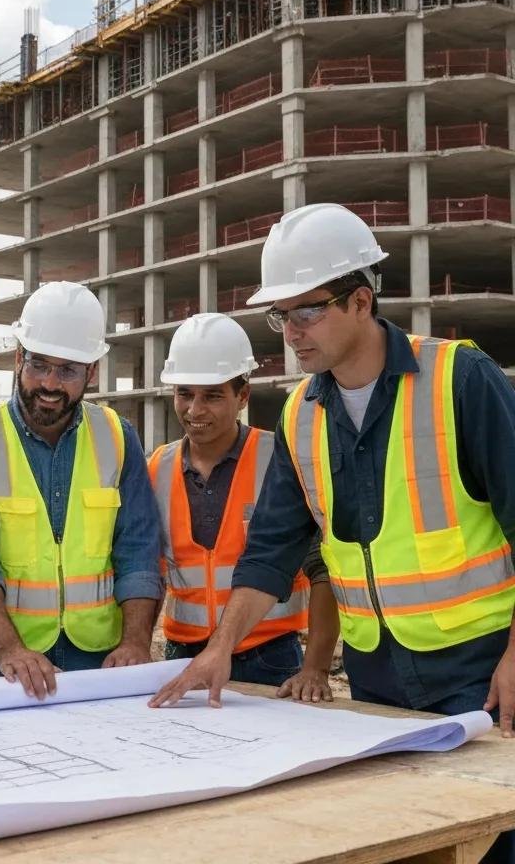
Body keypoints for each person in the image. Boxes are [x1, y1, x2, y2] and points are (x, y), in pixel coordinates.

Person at [150, 206, 515, 845]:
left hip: (479, 672)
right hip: (375, 675)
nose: (290, 332)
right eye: (280, 316)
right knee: (404, 842)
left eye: (306, 311)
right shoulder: (300, 415)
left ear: (361, 300)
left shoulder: (460, 379)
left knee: (492, 841)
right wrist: (219, 650)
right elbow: (270, 553)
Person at [0, 281, 164, 700]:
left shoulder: (117, 437)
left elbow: (139, 549)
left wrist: (136, 641)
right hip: (1, 663)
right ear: (18, 357)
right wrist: (11, 649)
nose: (50, 383)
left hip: (100, 657)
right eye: (39, 365)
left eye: (67, 371)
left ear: (91, 372)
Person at [149, 313, 339, 699]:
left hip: (269, 657)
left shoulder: (281, 459)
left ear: (243, 395)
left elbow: (324, 570)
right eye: (184, 393)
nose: (194, 410)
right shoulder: (157, 467)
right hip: (181, 655)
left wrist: (316, 668)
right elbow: (149, 572)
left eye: (213, 395)